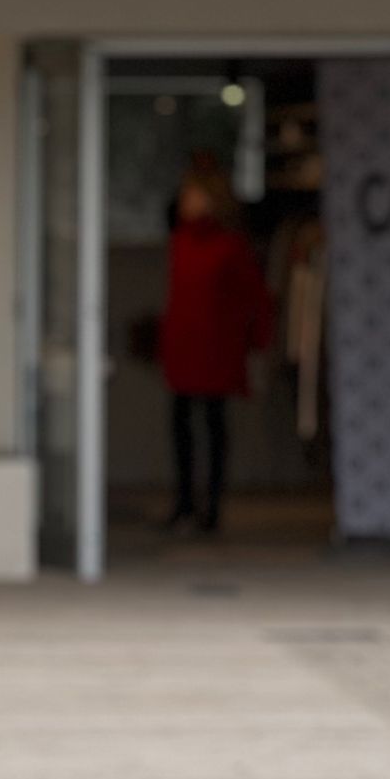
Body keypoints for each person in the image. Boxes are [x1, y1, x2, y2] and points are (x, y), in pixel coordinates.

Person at [159, 164, 274, 535]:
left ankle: (211, 508)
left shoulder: (230, 245)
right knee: (181, 428)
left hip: (216, 350)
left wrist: (256, 344)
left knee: (212, 426)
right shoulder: (179, 242)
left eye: (194, 195)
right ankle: (184, 503)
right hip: (183, 347)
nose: (186, 202)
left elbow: (254, 298)